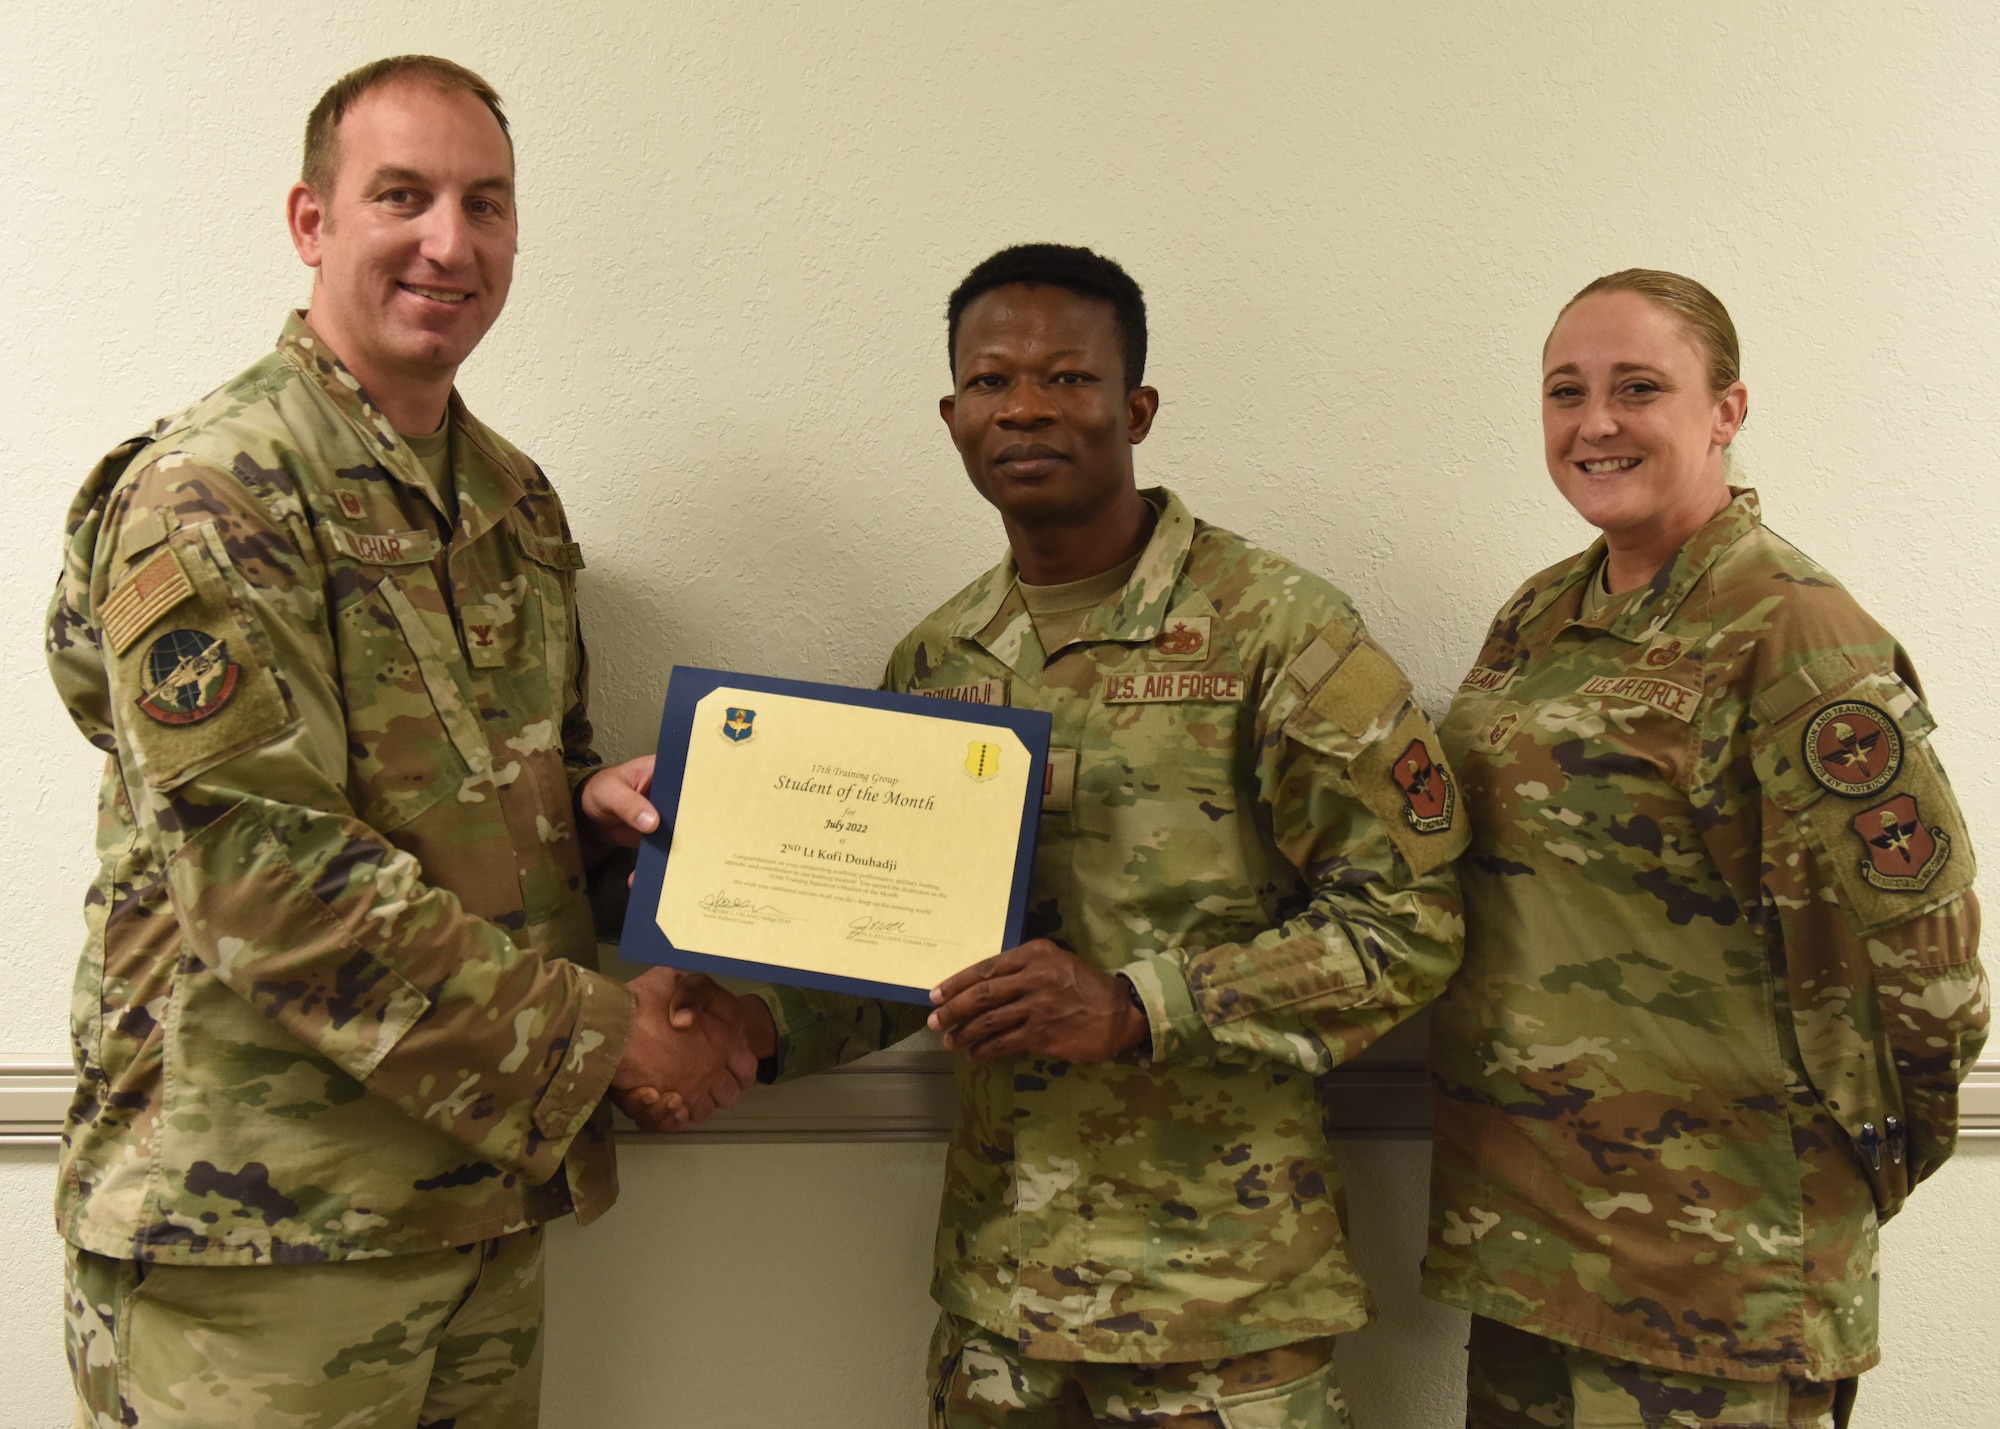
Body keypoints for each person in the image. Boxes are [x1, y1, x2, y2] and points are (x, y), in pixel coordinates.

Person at [45, 55, 747, 1427]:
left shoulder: (510, 502)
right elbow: (268, 878)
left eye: (485, 204)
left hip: (473, 1205)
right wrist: (609, 1041)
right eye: (404, 196)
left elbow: (475, 800)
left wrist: (587, 822)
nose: (451, 241)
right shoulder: (217, 490)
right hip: (260, 1236)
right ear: (313, 223)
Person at [678, 244, 1469, 1427]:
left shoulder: (1274, 631)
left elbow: (1408, 927)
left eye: (1068, 378)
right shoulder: (940, 659)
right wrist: (756, 1026)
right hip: (1004, 1310)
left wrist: (1139, 1003)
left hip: (1223, 1312)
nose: (1026, 408)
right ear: (951, 416)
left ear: (1135, 406)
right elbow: (910, 958)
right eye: (991, 383)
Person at [1423, 269, 1990, 1428]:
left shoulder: (1791, 631)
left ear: (1725, 409)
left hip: (1715, 1278)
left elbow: (1926, 968)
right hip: (1529, 1250)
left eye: (1639, 387)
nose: (1595, 423)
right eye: (1563, 392)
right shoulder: (1536, 617)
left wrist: (1831, 1186)